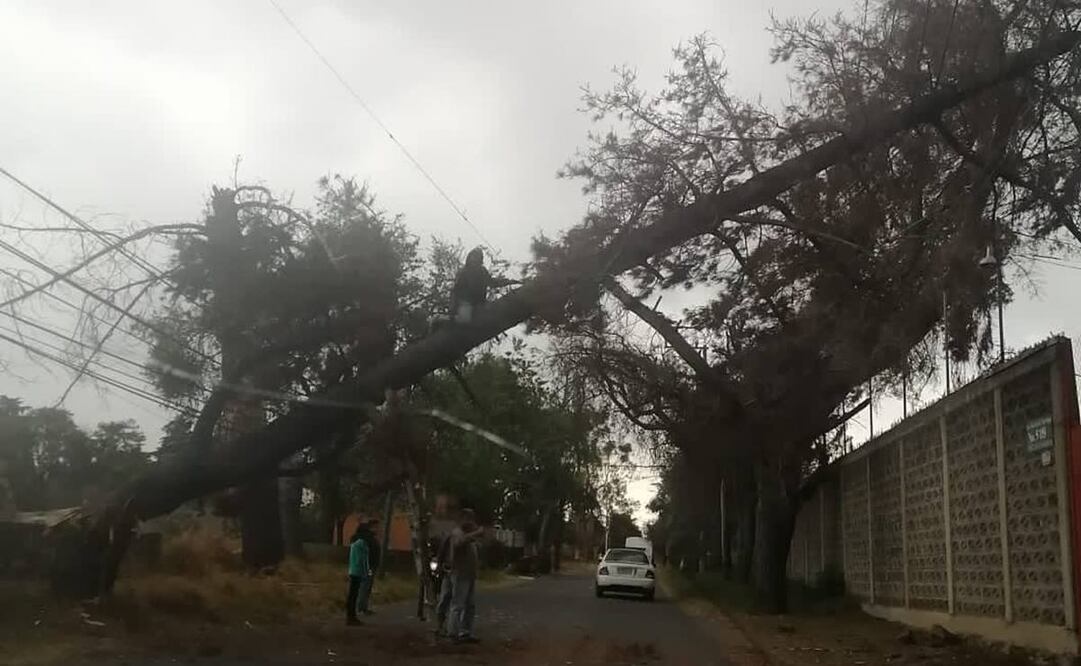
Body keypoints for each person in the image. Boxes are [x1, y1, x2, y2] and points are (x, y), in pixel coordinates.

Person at [449, 248, 518, 324]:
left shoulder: (483, 271)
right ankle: (441, 318)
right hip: (465, 302)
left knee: (489, 316)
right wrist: (452, 308)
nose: (474, 259)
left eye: (477, 257)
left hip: (479, 303)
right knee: (464, 320)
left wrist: (509, 282)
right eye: (473, 256)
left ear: (480, 259)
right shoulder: (464, 272)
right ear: (469, 258)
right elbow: (455, 290)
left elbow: (492, 282)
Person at [446, 508, 484, 644]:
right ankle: (452, 633)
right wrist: (475, 533)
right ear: (462, 519)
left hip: (470, 574)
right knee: (458, 604)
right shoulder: (457, 533)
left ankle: (465, 632)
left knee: (470, 605)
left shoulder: (469, 535)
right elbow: (458, 543)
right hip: (460, 574)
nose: (471, 521)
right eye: (468, 518)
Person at [345, 525, 371, 626]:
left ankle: (350, 616)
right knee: (354, 595)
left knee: (352, 594)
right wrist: (367, 572)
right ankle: (352, 617)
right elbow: (363, 560)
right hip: (359, 571)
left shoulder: (354, 543)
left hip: (352, 571)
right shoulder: (362, 543)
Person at [356, 519, 381, 615]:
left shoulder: (369, 537)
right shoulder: (367, 538)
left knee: (366, 586)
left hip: (369, 565)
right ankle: (361, 608)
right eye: (377, 527)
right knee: (365, 586)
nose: (378, 529)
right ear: (372, 527)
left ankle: (363, 607)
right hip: (368, 566)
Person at [432, 531, 454, 636]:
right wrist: (440, 566)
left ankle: (450, 627)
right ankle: (440, 625)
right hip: (449, 571)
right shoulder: (450, 537)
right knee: (445, 598)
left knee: (451, 600)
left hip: (457, 571)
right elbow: (441, 553)